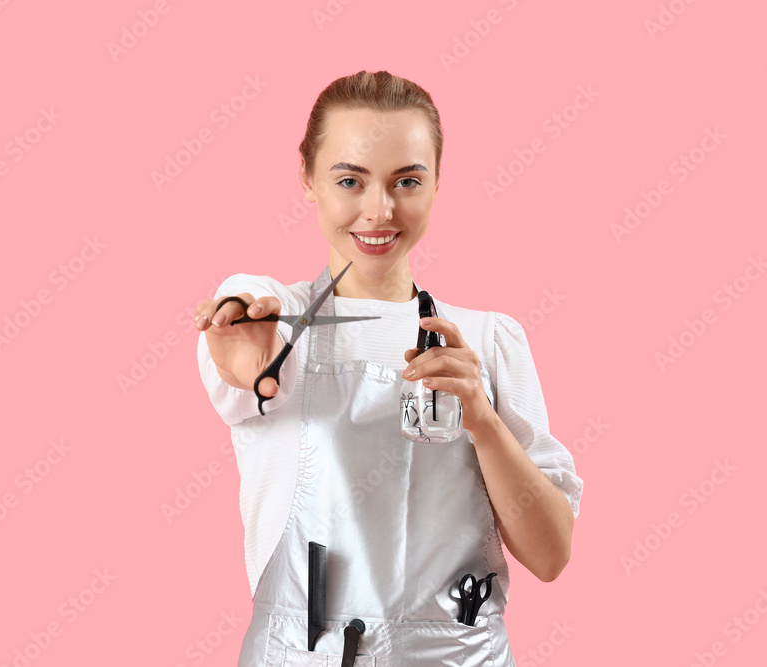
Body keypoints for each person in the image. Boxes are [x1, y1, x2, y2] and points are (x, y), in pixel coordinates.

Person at [193, 70, 583, 666]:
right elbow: (244, 318)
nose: (379, 211)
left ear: (435, 184)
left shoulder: (489, 341)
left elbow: (551, 555)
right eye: (350, 180)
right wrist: (243, 333)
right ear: (307, 177)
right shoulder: (277, 323)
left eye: (407, 181)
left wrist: (480, 417)